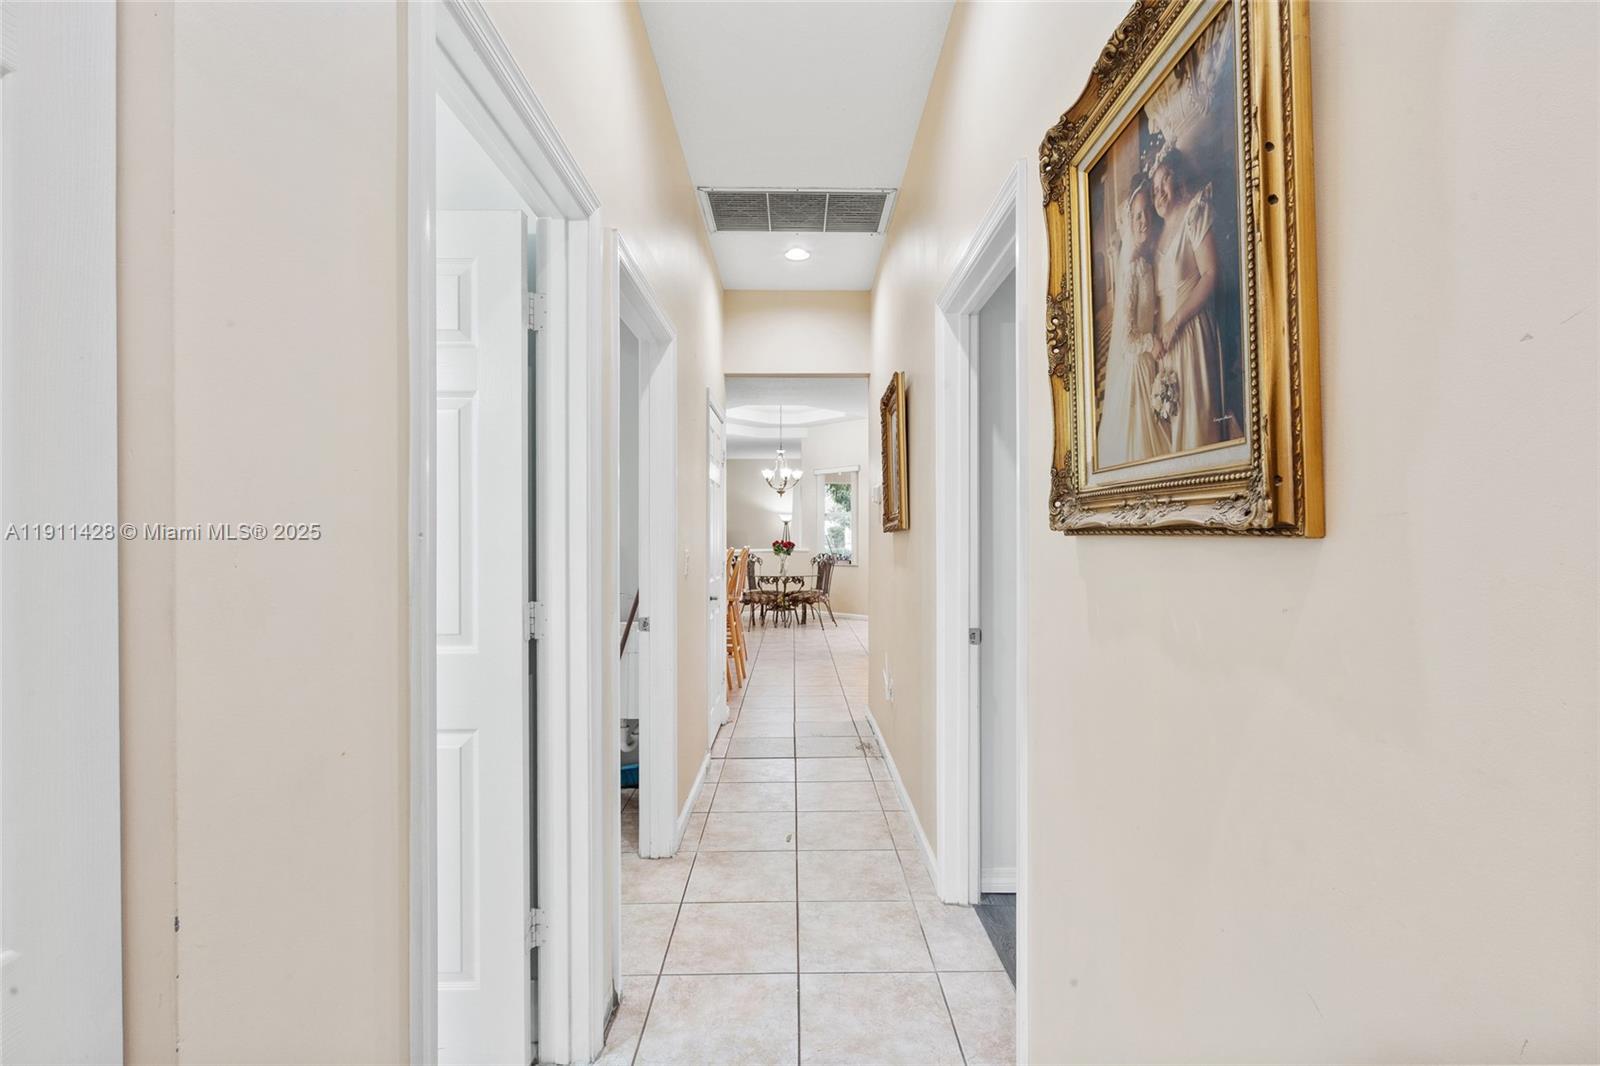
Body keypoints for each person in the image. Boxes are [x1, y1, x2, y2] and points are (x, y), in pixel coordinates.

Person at [1150, 145, 1230, 451]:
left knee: (1198, 423)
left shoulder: (1194, 213)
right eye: (1155, 188)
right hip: (1169, 346)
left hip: (1193, 331)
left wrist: (1176, 321)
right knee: (1177, 424)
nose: (1159, 193)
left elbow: (1210, 274)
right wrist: (1161, 334)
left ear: (1177, 177)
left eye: (1164, 181)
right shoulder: (1158, 237)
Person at [1098, 180, 1170, 467]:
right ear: (1129, 222)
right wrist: (1151, 342)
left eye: (1147, 214)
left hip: (1150, 363)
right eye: (1138, 216)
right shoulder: (1130, 269)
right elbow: (1127, 338)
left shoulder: (1147, 262)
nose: (1144, 222)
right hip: (1137, 367)